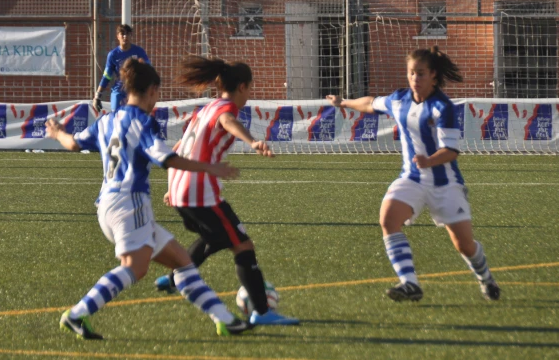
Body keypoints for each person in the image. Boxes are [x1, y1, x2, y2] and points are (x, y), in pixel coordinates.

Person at [45, 58, 250, 339]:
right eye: (157, 93)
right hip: (131, 204)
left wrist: (57, 132)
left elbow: (72, 143)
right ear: (152, 91)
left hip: (108, 205)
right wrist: (209, 167)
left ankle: (225, 319)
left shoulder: (106, 121)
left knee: (183, 262)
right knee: (135, 268)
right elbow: (167, 159)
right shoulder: (142, 122)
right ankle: (78, 313)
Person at [326, 46, 500, 302]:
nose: (414, 79)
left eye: (420, 74)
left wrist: (429, 160)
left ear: (433, 76)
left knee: (464, 245)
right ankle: (409, 283)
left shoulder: (442, 107)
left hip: (445, 184)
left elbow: (451, 151)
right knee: (388, 220)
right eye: (411, 73)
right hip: (412, 178)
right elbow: (370, 104)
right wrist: (343, 102)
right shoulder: (399, 100)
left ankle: (485, 278)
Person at [154, 56, 300, 326]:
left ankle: (176, 276)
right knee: (242, 245)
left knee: (216, 238)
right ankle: (262, 312)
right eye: (251, 87)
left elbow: (180, 147)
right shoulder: (224, 109)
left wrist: (172, 185)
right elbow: (229, 122)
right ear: (242, 87)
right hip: (199, 192)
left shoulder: (206, 108)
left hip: (181, 189)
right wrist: (253, 141)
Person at [92, 24, 150, 114]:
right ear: (117, 36)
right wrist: (97, 95)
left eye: (128, 34)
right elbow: (107, 76)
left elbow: (149, 70)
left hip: (134, 91)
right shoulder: (113, 55)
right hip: (119, 92)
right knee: (116, 119)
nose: (125, 36)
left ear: (131, 36)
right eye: (122, 34)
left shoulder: (139, 52)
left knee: (135, 121)